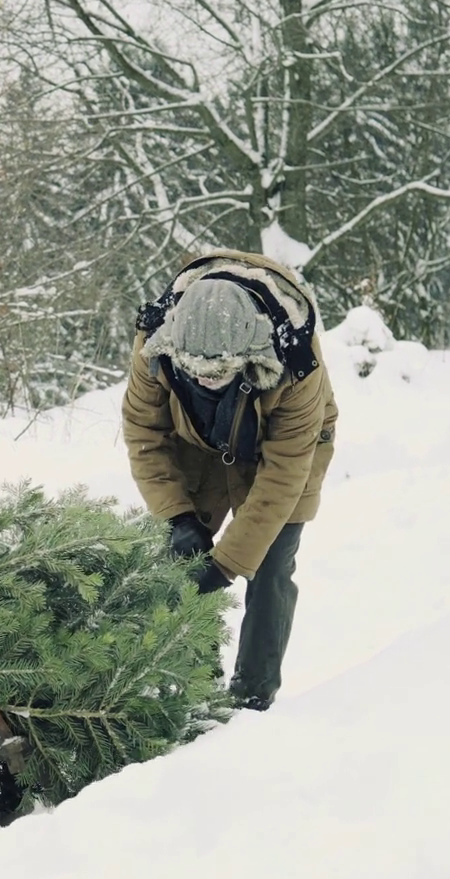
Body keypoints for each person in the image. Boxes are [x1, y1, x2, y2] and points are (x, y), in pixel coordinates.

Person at [121, 250, 339, 711]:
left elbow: (284, 474)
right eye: (196, 372)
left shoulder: (297, 364)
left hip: (281, 448)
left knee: (271, 563)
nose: (206, 381)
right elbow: (144, 432)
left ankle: (252, 696)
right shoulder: (154, 343)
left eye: (219, 373)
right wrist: (178, 518)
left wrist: (225, 566)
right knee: (181, 561)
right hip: (195, 442)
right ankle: (193, 689)